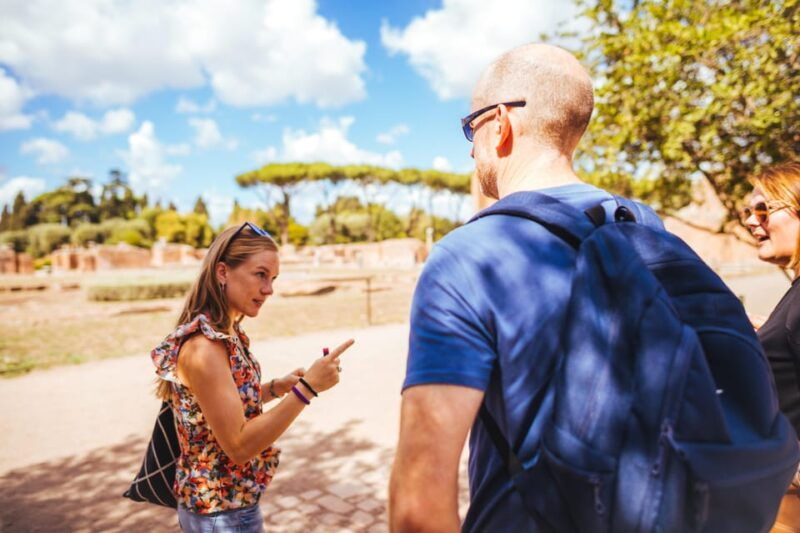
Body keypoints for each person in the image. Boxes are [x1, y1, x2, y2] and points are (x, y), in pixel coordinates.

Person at [388, 43, 663, 531]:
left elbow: (418, 505)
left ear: (499, 123)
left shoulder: (467, 257)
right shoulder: (644, 225)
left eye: (469, 129)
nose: (472, 148)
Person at [150, 221, 353, 532]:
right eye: (260, 274)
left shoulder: (226, 332)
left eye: (272, 279)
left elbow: (218, 408)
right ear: (222, 272)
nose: (269, 289)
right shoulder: (204, 347)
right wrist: (308, 389)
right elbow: (239, 445)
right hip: (221, 514)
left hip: (227, 508)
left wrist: (274, 388)